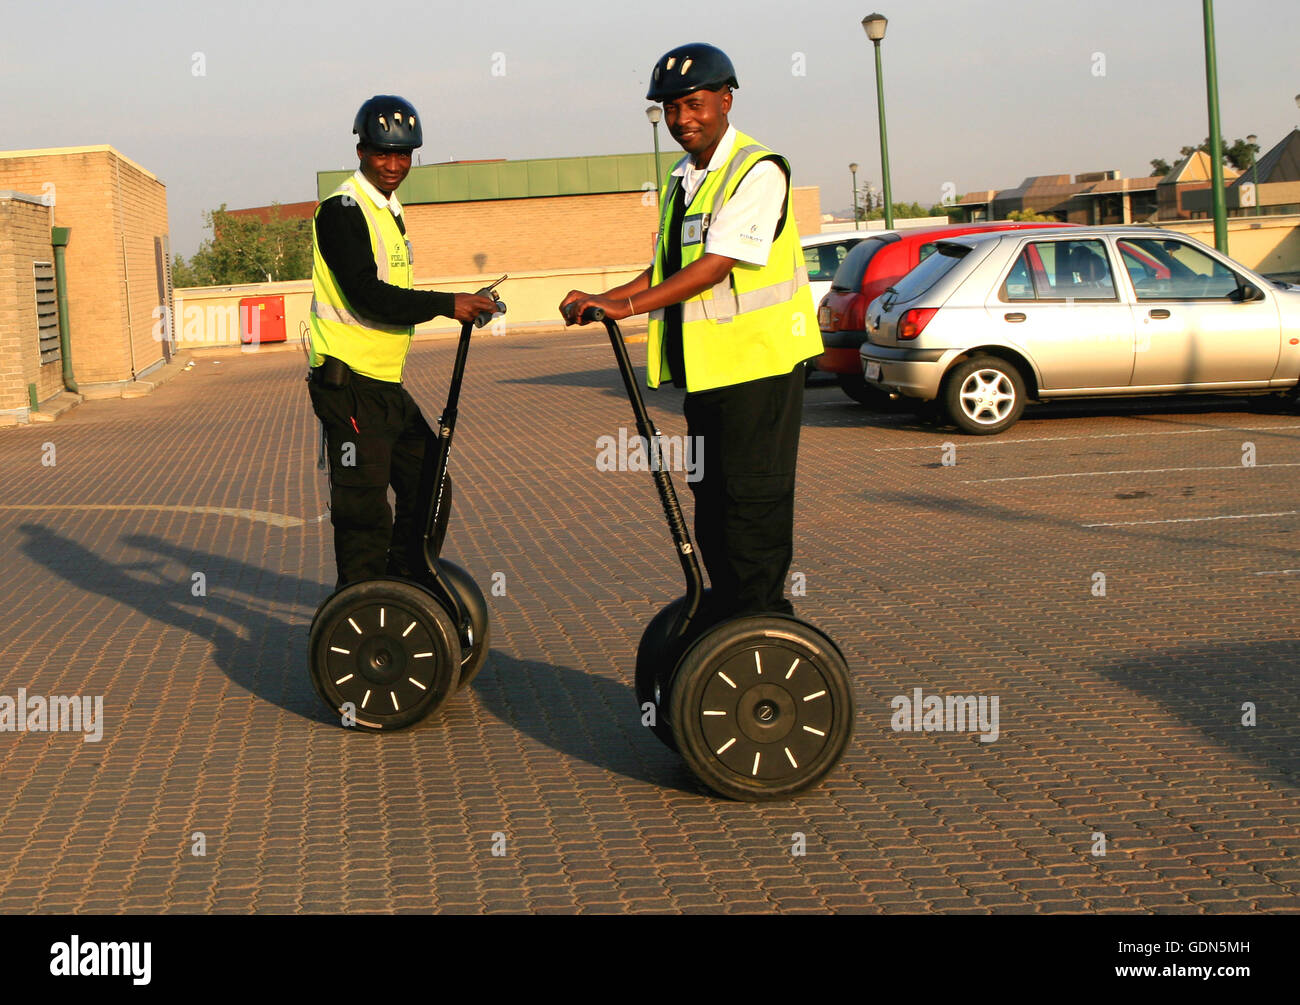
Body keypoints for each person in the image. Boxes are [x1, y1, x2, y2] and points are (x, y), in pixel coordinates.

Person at [560, 43, 820, 624]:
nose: (681, 120)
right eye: (670, 108)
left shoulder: (757, 170)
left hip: (760, 369)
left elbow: (715, 264)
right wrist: (605, 297)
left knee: (751, 505)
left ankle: (763, 627)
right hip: (707, 376)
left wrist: (624, 307)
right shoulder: (684, 178)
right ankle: (728, 615)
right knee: (711, 505)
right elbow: (670, 265)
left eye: (693, 104)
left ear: (726, 99)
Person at [308, 94, 497, 588]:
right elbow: (368, 296)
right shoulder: (343, 210)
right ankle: (364, 604)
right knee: (364, 511)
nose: (393, 165)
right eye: (381, 154)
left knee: (430, 478)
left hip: (384, 386)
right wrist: (446, 303)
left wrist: (462, 301)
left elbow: (392, 295)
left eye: (403, 155)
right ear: (361, 151)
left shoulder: (388, 210)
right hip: (349, 386)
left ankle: (407, 578)